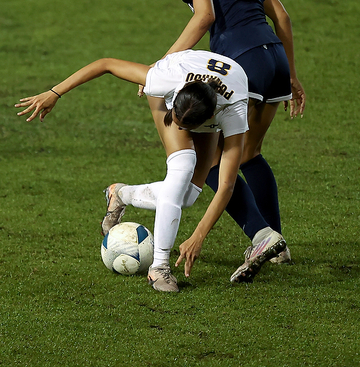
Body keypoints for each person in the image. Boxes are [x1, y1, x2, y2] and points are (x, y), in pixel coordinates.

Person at [15, 49, 286, 292]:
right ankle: (159, 268)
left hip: (213, 97)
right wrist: (55, 93)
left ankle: (120, 194)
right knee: (182, 169)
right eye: (176, 121)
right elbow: (106, 63)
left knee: (187, 196)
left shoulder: (232, 112)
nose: (179, 129)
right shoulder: (164, 79)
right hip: (179, 84)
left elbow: (226, 185)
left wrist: (198, 236)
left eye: (185, 127)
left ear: (210, 121)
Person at [152, 0, 306, 264]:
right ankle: (275, 244)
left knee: (211, 161)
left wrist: (165, 63)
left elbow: (204, 16)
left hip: (242, 61)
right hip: (274, 58)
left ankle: (261, 235)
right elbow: (282, 17)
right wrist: (292, 74)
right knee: (251, 153)